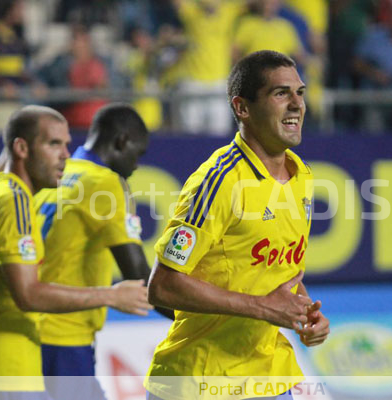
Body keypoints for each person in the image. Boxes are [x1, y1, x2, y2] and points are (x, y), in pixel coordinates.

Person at [145, 50, 330, 400]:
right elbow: (163, 286)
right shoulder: (218, 183)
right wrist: (262, 307)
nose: (297, 104)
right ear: (242, 108)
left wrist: (304, 312)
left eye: (300, 93)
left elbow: (280, 271)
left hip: (271, 380)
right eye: (281, 93)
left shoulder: (301, 175)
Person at [0, 105, 151, 400]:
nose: (65, 153)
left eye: (65, 144)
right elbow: (29, 294)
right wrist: (112, 295)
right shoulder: (16, 201)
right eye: (54, 144)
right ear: (22, 148)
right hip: (19, 359)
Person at [34, 103, 173, 400]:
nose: (137, 165)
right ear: (122, 141)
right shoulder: (106, 184)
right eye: (138, 153)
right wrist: (204, 318)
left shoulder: (53, 172)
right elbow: (139, 278)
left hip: (27, 330)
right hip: (65, 336)